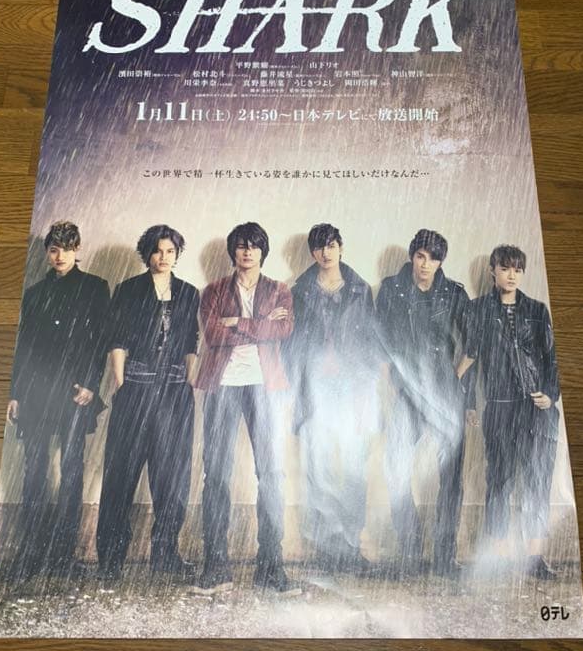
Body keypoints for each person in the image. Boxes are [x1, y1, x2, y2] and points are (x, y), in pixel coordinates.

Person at [192, 222, 299, 595]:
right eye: (241, 245)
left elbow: (283, 331)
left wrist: (237, 322)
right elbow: (212, 334)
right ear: (233, 252)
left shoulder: (279, 290)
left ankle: (270, 566)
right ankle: (215, 566)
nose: (247, 251)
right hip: (221, 385)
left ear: (262, 251)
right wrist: (260, 325)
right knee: (216, 475)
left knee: (271, 474)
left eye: (254, 245)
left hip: (265, 387)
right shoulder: (213, 290)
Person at [6, 221, 110, 582]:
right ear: (47, 252)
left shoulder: (95, 287)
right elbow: (24, 345)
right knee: (33, 469)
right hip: (36, 391)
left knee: (71, 468)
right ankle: (31, 552)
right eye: (53, 249)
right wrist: (15, 393)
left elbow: (101, 340)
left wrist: (92, 384)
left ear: (77, 249)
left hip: (74, 391)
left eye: (66, 248)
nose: (60, 255)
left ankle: (65, 553)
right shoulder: (35, 293)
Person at [96, 225, 199, 582]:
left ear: (177, 254)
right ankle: (110, 559)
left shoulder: (189, 293)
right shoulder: (128, 290)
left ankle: (166, 555)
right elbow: (117, 340)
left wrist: (188, 385)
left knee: (172, 478)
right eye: (157, 250)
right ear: (147, 254)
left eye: (170, 251)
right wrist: (122, 385)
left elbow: (190, 343)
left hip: (174, 392)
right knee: (121, 475)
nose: (163, 257)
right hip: (136, 388)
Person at [376, 229, 473, 577]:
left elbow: (474, 341)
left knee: (451, 476)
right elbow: (379, 340)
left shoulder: (454, 293)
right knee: (396, 467)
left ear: (440, 262)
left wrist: (455, 377)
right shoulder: (392, 289)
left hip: (445, 393)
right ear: (412, 256)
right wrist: (390, 386)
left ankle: (445, 557)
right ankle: (410, 550)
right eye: (420, 256)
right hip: (407, 392)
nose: (425, 264)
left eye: (433, 259)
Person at [284, 223, 379, 574]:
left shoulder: (360, 289)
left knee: (354, 468)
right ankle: (325, 549)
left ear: (341, 248)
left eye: (332, 245)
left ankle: (351, 546)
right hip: (314, 389)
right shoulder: (299, 291)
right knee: (318, 469)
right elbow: (292, 345)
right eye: (319, 247)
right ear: (312, 252)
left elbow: (370, 344)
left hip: (352, 389)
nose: (326, 253)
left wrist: (367, 392)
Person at [463, 245, 560, 580]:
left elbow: (552, 359)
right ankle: (501, 555)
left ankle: (535, 557)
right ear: (492, 271)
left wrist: (551, 395)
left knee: (537, 483)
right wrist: (470, 404)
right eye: (505, 268)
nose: (512, 275)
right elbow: (471, 359)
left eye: (517, 269)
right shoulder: (478, 309)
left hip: (537, 410)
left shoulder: (537, 310)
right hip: (501, 407)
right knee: (499, 482)